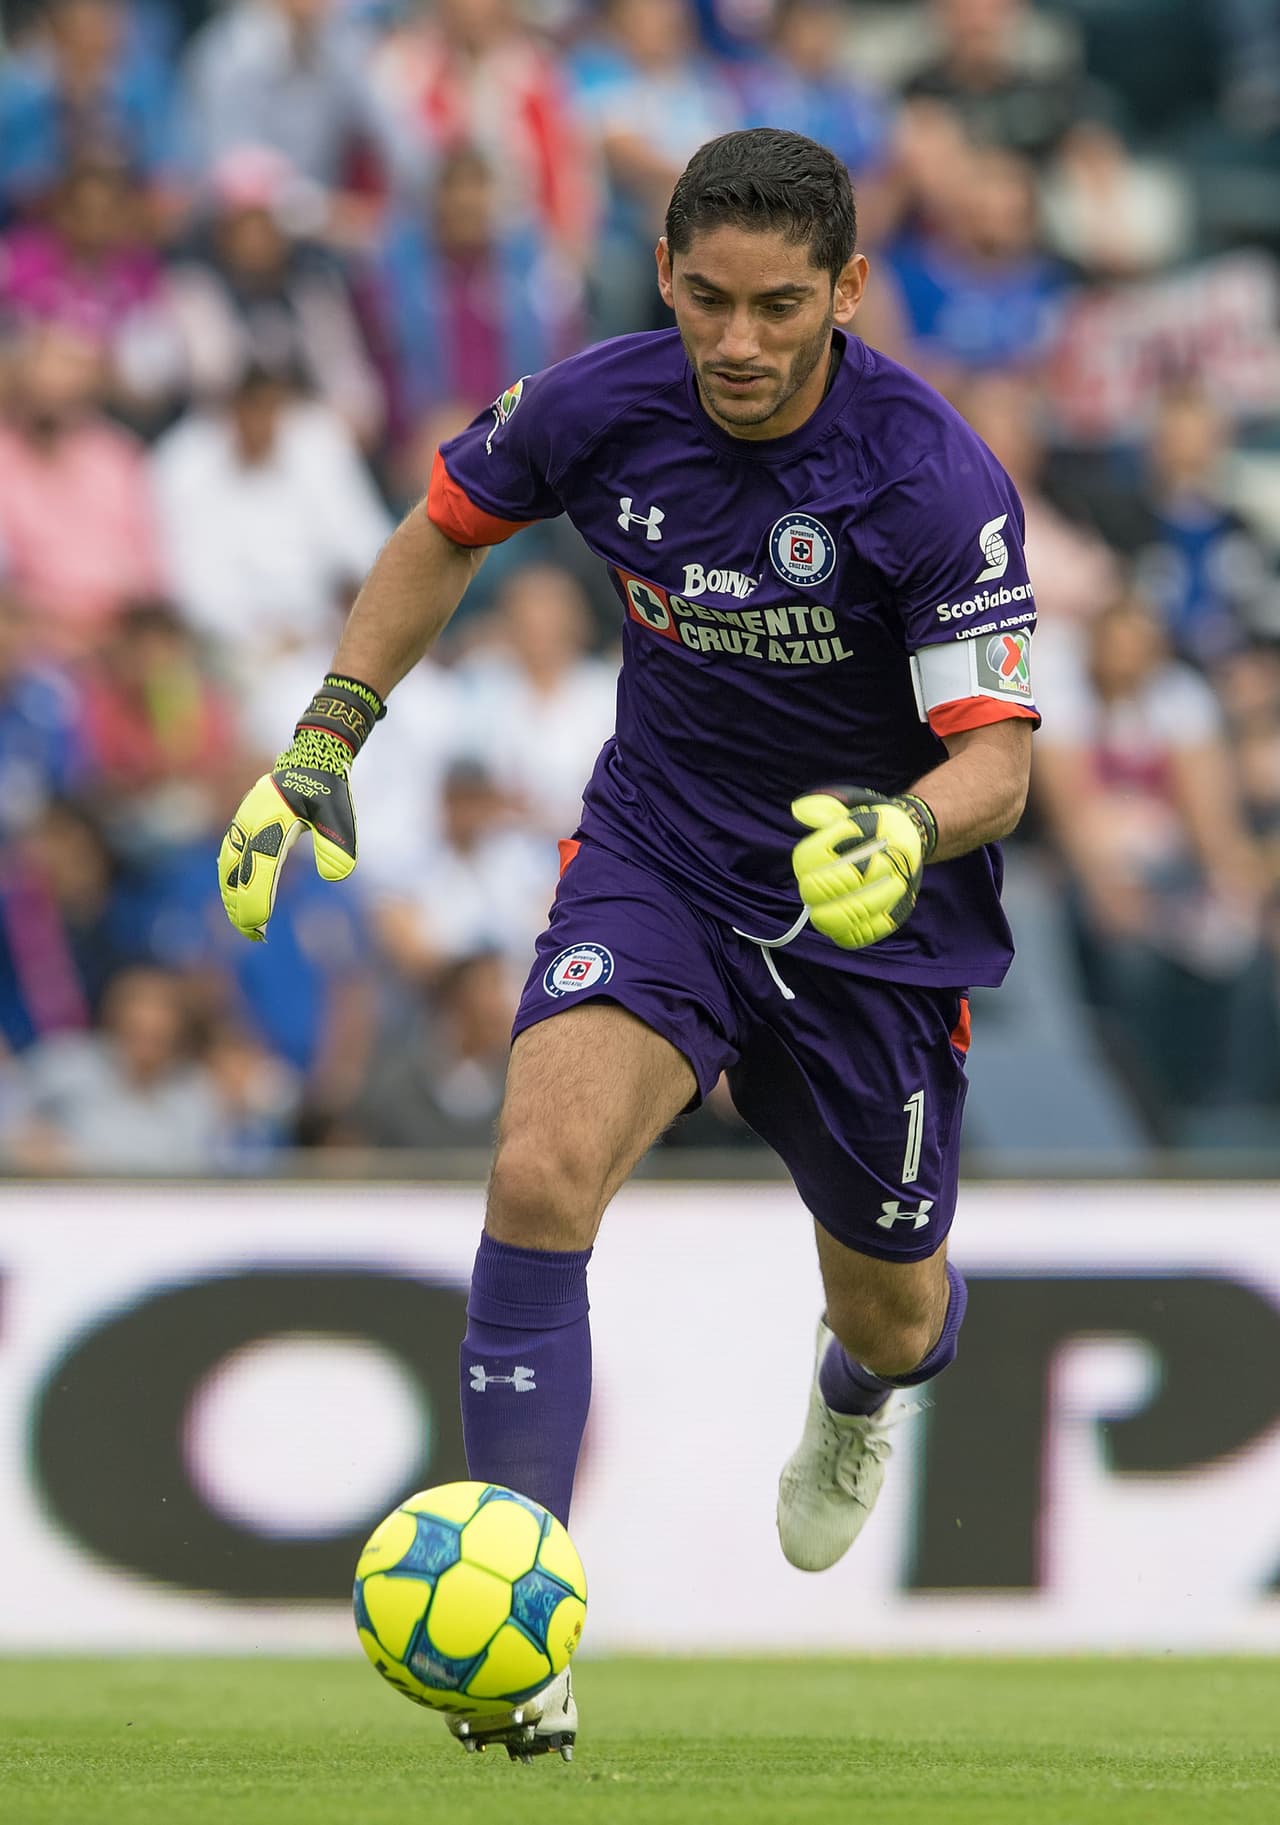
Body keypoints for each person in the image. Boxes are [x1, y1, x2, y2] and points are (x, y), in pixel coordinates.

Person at [218, 129, 1037, 1757]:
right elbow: (443, 527)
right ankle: (518, 1638)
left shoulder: (932, 477)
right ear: (666, 274)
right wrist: (323, 740)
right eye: (709, 301)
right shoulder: (600, 402)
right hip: (658, 859)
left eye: (779, 307)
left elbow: (999, 762)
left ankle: (860, 1396)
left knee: (892, 1305)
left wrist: (903, 827)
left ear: (848, 292)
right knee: (538, 1173)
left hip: (865, 916)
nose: (737, 343)